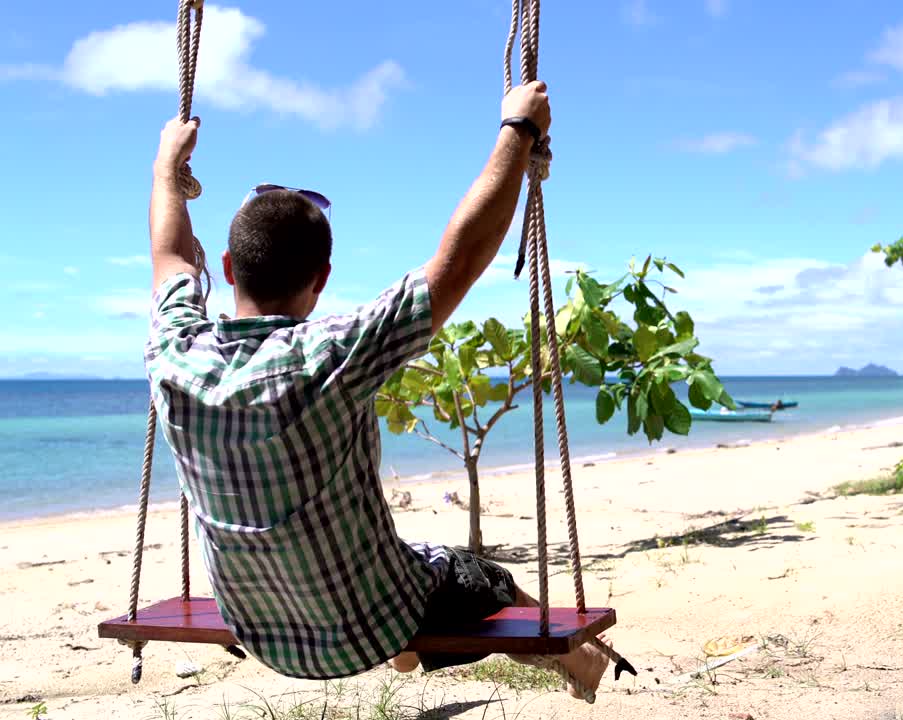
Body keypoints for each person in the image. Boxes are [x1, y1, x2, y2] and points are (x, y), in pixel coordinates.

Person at [144, 81, 609, 696]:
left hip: (258, 631)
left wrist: (165, 168)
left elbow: (170, 254)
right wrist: (518, 132)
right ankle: (583, 663)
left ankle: (414, 654)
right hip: (369, 626)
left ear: (228, 268)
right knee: (481, 577)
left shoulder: (174, 352)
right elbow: (460, 258)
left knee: (412, 551)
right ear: (322, 279)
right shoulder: (333, 354)